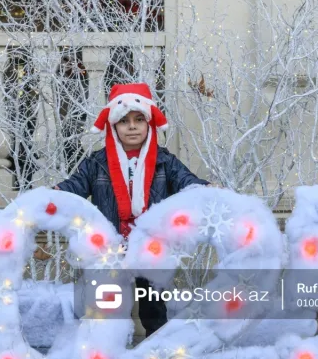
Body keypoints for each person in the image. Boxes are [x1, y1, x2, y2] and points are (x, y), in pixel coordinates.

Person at [55, 83, 210, 337]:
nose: (132, 126)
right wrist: (57, 193)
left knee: (154, 310)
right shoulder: (97, 162)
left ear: (149, 123)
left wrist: (206, 188)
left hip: (151, 248)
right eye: (124, 121)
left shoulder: (164, 160)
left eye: (139, 119)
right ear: (113, 125)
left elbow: (187, 183)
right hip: (112, 250)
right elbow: (75, 187)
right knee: (112, 312)